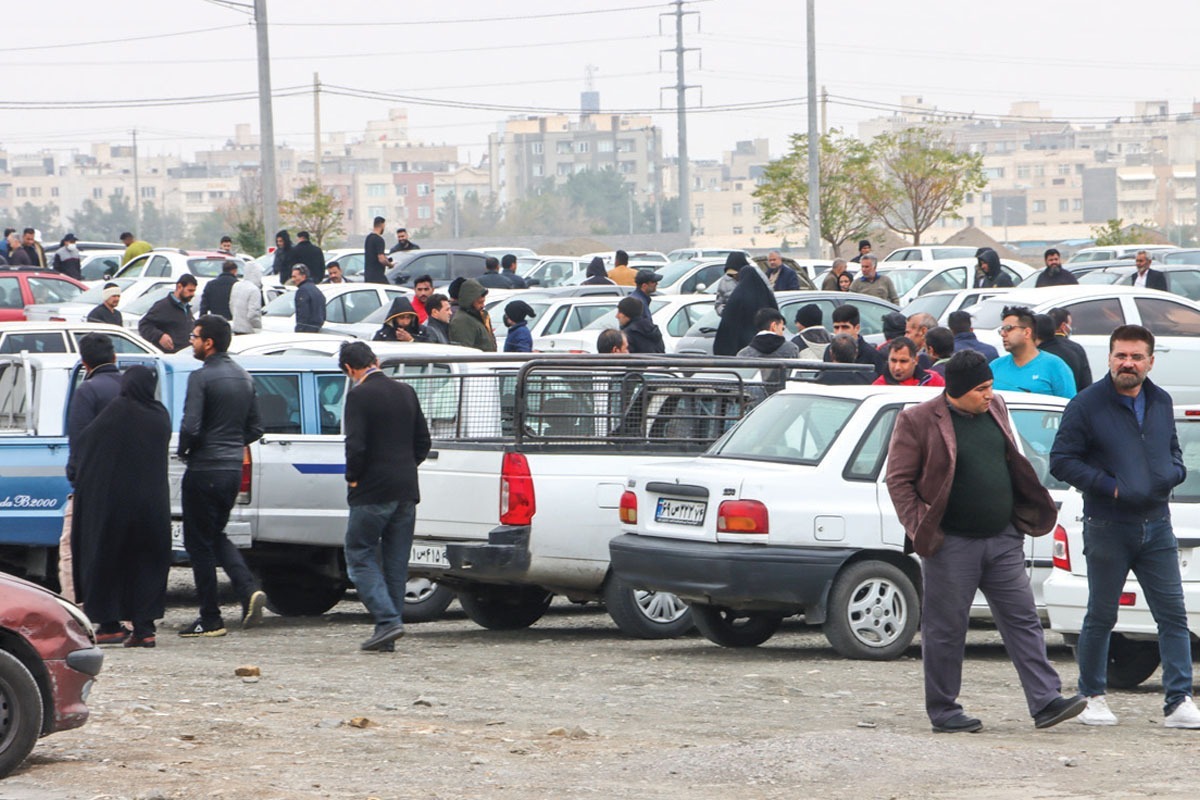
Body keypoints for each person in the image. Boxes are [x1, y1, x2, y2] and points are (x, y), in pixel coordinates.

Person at [887, 349, 1086, 734]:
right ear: (957, 391)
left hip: (1003, 538)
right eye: (981, 388)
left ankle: (1045, 701)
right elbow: (899, 481)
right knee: (945, 630)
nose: (988, 394)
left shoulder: (995, 407)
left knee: (1024, 620)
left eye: (990, 386)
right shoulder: (918, 420)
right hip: (951, 544)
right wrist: (922, 526)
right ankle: (944, 711)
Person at [1049, 324, 1200, 729]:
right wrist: (1110, 488)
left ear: (1150, 361)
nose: (1127, 364)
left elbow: (1171, 449)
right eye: (1120, 356)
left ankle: (1179, 700)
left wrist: (1175, 472)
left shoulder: (1160, 400)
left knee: (1172, 616)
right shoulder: (1086, 405)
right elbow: (1062, 461)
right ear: (1110, 358)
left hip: (1157, 526)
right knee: (1101, 615)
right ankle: (1093, 696)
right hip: (1107, 525)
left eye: (1136, 357)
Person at [67, 366, 172, 649]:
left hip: (116, 506)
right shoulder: (161, 415)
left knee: (107, 560)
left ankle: (110, 625)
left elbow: (87, 444)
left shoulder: (118, 411)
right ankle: (144, 628)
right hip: (154, 505)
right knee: (148, 564)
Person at [178, 314, 267, 638]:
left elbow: (190, 426)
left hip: (204, 468)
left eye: (195, 336)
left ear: (209, 343)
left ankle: (210, 617)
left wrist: (187, 451)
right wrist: (231, 443)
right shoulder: (245, 377)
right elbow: (256, 427)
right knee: (215, 533)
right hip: (231, 468)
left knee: (198, 542)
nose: (191, 340)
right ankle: (247, 589)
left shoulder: (201, 378)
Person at [339, 341, 431, 652]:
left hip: (371, 491)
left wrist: (353, 478)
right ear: (375, 360)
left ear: (350, 369)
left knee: (359, 554)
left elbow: (356, 446)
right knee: (395, 563)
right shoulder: (406, 391)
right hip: (406, 488)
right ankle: (388, 630)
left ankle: (387, 620)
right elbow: (423, 441)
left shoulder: (358, 395)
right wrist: (405, 467)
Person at [59, 333, 123, 604]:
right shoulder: (129, 387)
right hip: (127, 483)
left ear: (84, 363)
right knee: (120, 549)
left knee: (70, 547)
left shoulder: (88, 391)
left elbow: (79, 440)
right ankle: (125, 615)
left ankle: (75, 610)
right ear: (114, 357)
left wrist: (75, 477)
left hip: (92, 485)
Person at [990, 305, 1076, 399]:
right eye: (1002, 330)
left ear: (1027, 332)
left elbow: (1069, 407)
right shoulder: (995, 366)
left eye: (1008, 328)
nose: (1003, 334)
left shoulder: (1055, 366)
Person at [714, 265, 777, 356]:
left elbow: (726, 324)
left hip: (741, 349)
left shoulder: (736, 297)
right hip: (767, 346)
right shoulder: (766, 295)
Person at [138, 274, 197, 353]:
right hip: (170, 356)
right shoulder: (162, 307)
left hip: (185, 355)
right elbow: (144, 325)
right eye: (190, 291)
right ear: (179, 287)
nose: (192, 294)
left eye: (194, 291)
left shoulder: (186, 308)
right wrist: (160, 336)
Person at [823, 304, 886, 375]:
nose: (840, 332)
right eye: (836, 327)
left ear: (857, 328)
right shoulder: (829, 350)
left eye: (845, 327)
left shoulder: (872, 355)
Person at [1046, 307, 1092, 392]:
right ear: (1063, 326)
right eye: (1070, 324)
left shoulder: (1037, 348)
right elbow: (1086, 384)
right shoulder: (1076, 349)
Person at [873, 337, 945, 387]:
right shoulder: (879, 387)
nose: (897, 367)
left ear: (916, 360)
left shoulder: (933, 380)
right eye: (893, 361)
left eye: (903, 361)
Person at [448, 279, 496, 351]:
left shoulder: (480, 316)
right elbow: (464, 351)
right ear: (470, 301)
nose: (483, 305)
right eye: (480, 302)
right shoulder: (462, 321)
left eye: (483, 302)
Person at [230, 258, 263, 335]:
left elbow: (231, 305)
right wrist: (258, 327)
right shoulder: (254, 290)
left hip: (236, 327)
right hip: (249, 330)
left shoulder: (236, 285)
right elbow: (253, 313)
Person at [292, 265, 326, 333]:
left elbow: (303, 314)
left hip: (306, 331)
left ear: (303, 276)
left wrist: (299, 330)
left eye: (295, 277)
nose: (293, 280)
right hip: (318, 329)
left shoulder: (302, 291)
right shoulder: (316, 290)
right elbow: (323, 314)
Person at [363, 217, 391, 284]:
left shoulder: (368, 238)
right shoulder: (379, 240)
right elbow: (381, 259)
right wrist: (390, 265)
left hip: (368, 275)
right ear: (382, 225)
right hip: (377, 276)